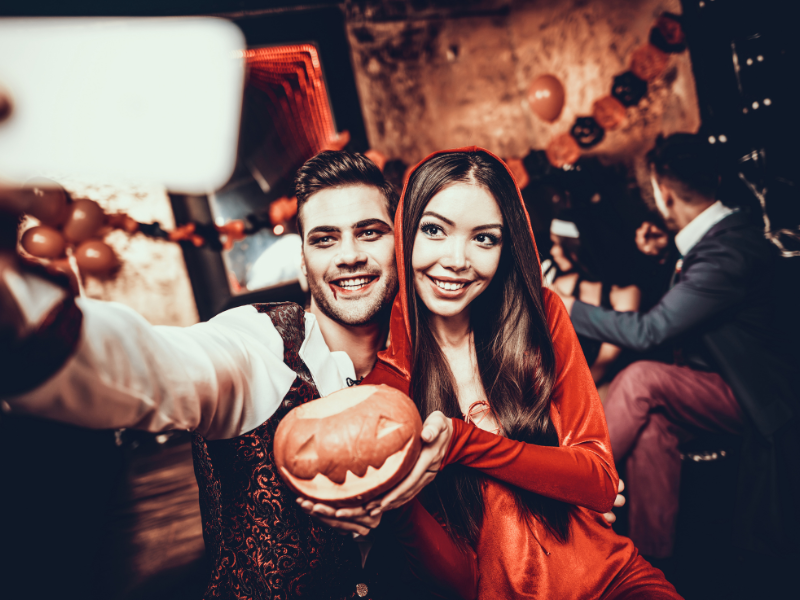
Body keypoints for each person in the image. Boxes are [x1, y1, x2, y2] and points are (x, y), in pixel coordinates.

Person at [1, 151, 409, 599]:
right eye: (324, 239)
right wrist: (21, 313)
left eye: (370, 233)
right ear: (303, 258)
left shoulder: (428, 364)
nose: (349, 256)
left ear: (400, 245)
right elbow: (153, 366)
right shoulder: (258, 345)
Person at [313, 147, 680, 599]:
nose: (456, 259)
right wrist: (395, 502)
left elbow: (600, 482)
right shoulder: (386, 390)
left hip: (617, 581)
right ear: (405, 234)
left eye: (484, 238)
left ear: (506, 246)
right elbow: (463, 584)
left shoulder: (541, 318)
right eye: (434, 231)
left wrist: (463, 441)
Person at [554, 133, 800, 561]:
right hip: (715, 383)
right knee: (651, 434)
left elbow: (652, 330)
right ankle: (650, 571)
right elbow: (699, 298)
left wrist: (568, 305)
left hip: (755, 393)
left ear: (663, 193)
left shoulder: (726, 252)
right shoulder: (724, 235)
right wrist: (666, 252)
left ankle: (567, 496)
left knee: (639, 379)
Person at [544, 208, 641, 388]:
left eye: (560, 244)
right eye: (552, 243)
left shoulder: (625, 293)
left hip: (598, 387)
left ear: (580, 246)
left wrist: (573, 392)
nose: (553, 251)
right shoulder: (559, 282)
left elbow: (606, 359)